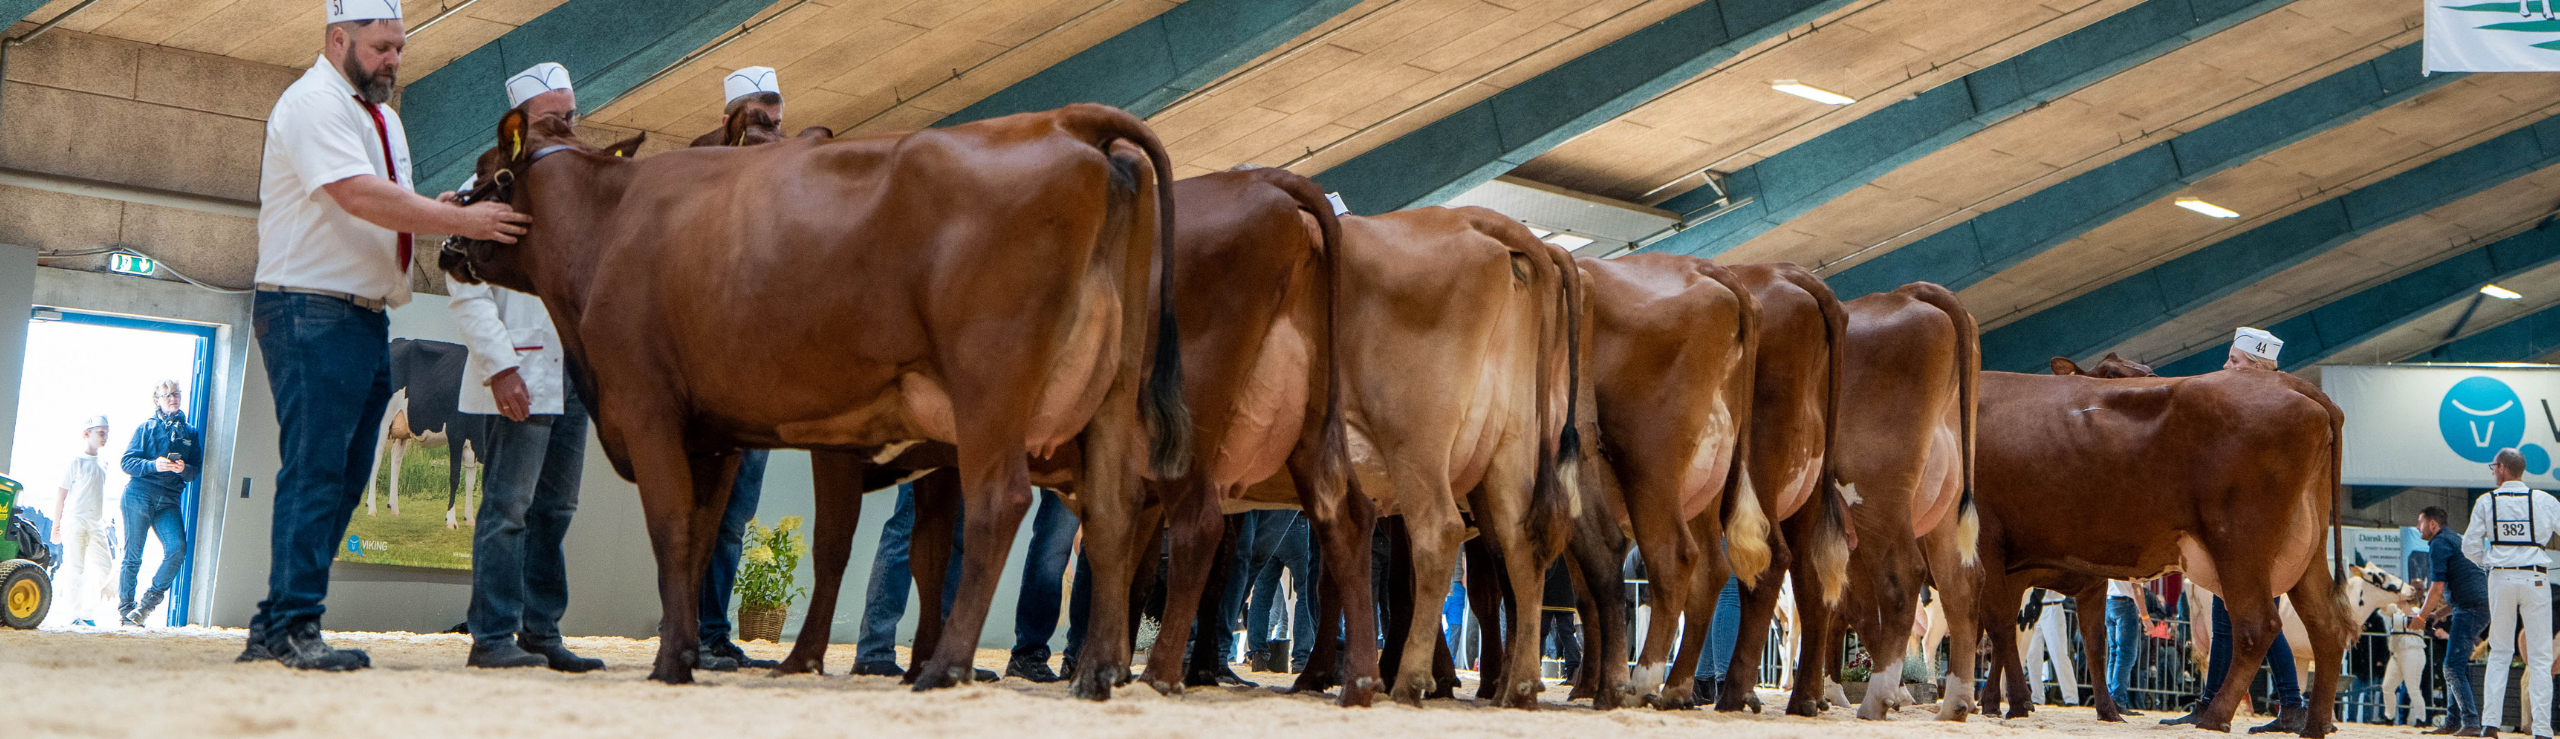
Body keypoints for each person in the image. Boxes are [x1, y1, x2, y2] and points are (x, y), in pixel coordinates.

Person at [247, 0, 530, 671]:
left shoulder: (384, 118)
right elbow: (359, 195)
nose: (394, 61)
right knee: (317, 470)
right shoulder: (313, 103)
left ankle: (277, 621)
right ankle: (293, 624)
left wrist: (451, 209)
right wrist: (453, 218)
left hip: (364, 314)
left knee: (344, 476)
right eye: (380, 48)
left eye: (400, 47)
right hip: (309, 308)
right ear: (337, 37)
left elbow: (396, 202)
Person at [449, 62, 602, 674]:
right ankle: (491, 635)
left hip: (575, 374)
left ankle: (542, 630)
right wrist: (501, 368)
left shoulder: (587, 187)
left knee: (557, 510)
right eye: (551, 119)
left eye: (571, 114)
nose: (566, 126)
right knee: (508, 508)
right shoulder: (487, 184)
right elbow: (464, 287)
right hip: (520, 372)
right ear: (517, 128)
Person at [686, 66, 788, 674]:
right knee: (701, 508)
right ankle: (690, 628)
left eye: (777, 121)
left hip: (762, 385)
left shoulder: (788, 189)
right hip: (710, 382)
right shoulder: (699, 180)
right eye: (759, 121)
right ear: (732, 122)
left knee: (737, 516)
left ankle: (714, 632)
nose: (772, 131)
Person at [2166, 327, 2310, 732]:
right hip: (2234, 528)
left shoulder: (2275, 410)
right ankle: (2213, 703)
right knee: (2225, 614)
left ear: (2258, 368)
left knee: (2257, 618)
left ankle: (2292, 704)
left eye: (2235, 361)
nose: (2225, 367)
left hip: (2255, 531)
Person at [2465, 447, 2560, 738]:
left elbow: (2469, 546)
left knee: (2500, 652)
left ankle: (2490, 724)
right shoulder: (2544, 500)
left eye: (2494, 466)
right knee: (2542, 658)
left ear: (2504, 468)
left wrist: (2489, 562)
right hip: (2536, 579)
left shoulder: (2486, 501)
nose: (2493, 471)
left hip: (2500, 579)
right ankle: (2542, 730)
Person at [118, 380, 199, 628]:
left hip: (169, 501)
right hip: (138, 495)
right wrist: (153, 465)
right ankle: (126, 612)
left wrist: (184, 468)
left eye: (176, 394)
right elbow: (126, 462)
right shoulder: (145, 428)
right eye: (166, 395)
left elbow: (194, 472)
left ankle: (146, 605)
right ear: (157, 400)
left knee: (177, 549)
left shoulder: (191, 433)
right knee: (133, 557)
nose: (172, 398)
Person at [2420, 503, 2489, 736]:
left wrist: (2420, 617)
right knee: (2455, 666)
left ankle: (2470, 723)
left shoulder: (2439, 543)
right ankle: (2453, 721)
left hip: (2469, 608)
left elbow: (2437, 587)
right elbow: (2464, 587)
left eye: (2420, 522)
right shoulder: (2456, 540)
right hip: (2476, 605)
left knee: (2452, 667)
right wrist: (2437, 614)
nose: (2417, 527)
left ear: (2432, 524)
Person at [50, 417, 113, 626]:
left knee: (105, 566)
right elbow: (61, 495)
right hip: (75, 521)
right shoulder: (75, 462)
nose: (105, 436)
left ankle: (87, 612)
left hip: (96, 524)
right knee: (75, 569)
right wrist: (56, 527)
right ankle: (71, 617)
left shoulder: (103, 463)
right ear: (87, 433)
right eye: (101, 432)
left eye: (107, 432)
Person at [2017, 588, 2080, 706]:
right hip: (2033, 607)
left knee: (2059, 653)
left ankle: (2071, 698)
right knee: (2032, 654)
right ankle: (2037, 697)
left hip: (2052, 606)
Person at [2105, 579, 2151, 715]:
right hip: (2125, 603)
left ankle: (2110, 698)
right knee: (2126, 655)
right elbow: (2136, 587)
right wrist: (2145, 617)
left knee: (2114, 653)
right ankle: (2118, 700)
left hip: (2110, 601)